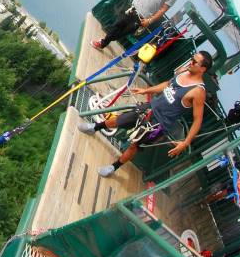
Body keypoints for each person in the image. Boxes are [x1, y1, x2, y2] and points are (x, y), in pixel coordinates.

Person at [79, 50, 211, 177]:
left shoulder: (198, 91)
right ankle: (95, 128)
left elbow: (197, 120)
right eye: (192, 59)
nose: (190, 62)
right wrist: (145, 91)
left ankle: (114, 167)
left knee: (134, 145)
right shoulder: (183, 72)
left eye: (194, 62)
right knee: (120, 119)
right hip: (149, 108)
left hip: (158, 124)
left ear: (203, 69)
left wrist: (185, 142)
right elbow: (167, 84)